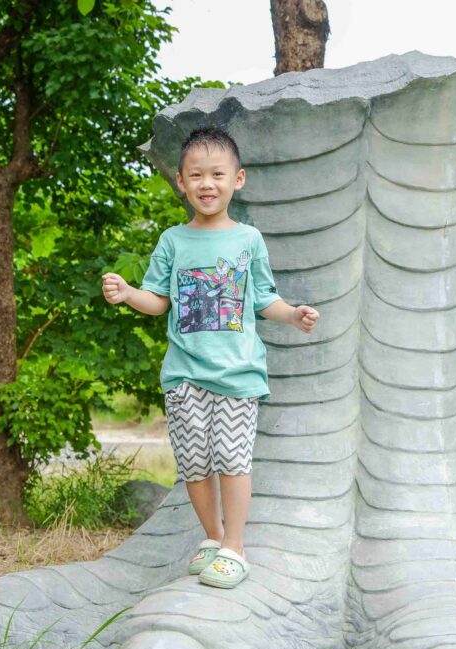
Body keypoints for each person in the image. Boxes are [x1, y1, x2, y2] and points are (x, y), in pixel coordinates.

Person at [101, 126, 319, 588]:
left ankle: (236, 547)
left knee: (232, 459)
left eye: (217, 174)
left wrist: (292, 314)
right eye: (196, 175)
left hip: (237, 374)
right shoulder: (173, 241)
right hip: (183, 375)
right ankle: (215, 538)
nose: (206, 184)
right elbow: (158, 301)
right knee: (195, 465)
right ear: (181, 181)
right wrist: (128, 294)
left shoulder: (248, 240)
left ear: (237, 179)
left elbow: (263, 299)